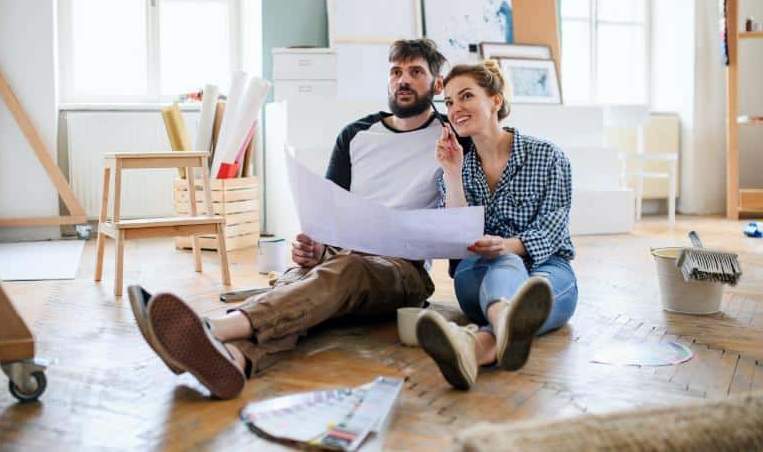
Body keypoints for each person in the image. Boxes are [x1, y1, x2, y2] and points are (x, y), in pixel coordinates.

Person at [128, 38, 468, 399]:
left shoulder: (451, 138)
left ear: (437, 84)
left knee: (341, 273)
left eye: (416, 72)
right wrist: (316, 243)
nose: (403, 80)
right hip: (340, 255)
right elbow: (328, 209)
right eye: (396, 71)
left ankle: (209, 327)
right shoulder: (355, 135)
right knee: (297, 290)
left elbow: (457, 219)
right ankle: (234, 359)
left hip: (401, 270)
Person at [415, 59, 578, 391]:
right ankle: (507, 322)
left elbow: (552, 228)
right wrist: (452, 173)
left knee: (535, 287)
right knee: (507, 264)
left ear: (496, 101)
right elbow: (457, 234)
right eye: (448, 102)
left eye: (466, 96)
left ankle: (477, 347)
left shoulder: (548, 157)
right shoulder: (456, 165)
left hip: (548, 269)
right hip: (478, 273)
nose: (455, 108)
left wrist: (507, 246)